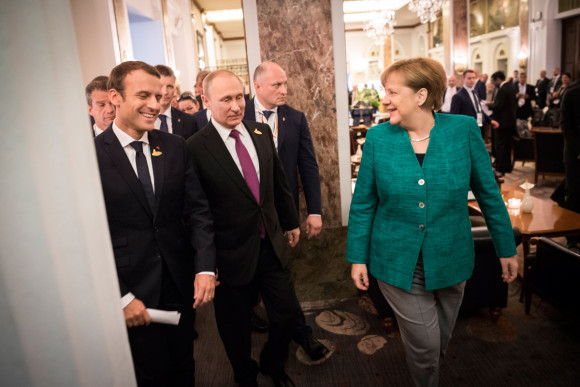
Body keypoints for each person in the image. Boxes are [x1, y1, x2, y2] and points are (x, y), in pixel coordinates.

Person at [346, 57, 518, 387]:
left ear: (421, 96)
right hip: (397, 261)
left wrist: (506, 249)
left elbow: (489, 196)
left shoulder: (463, 131)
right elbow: (364, 203)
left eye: (392, 91)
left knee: (438, 340)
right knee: (426, 346)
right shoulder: (379, 138)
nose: (384, 99)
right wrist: (357, 257)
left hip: (451, 257)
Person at [95, 60, 217, 385]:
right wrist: (121, 297)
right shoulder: (91, 157)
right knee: (151, 376)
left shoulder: (175, 147)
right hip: (131, 293)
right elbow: (88, 240)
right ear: (115, 97)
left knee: (184, 366)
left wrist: (205, 267)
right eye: (144, 95)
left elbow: (198, 211)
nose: (155, 104)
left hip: (179, 283)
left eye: (159, 95)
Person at [187, 70, 301, 387]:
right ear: (206, 101)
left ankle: (273, 363)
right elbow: (197, 211)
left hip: (271, 246)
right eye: (226, 99)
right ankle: (245, 374)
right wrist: (206, 264)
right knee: (234, 328)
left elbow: (279, 185)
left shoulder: (261, 132)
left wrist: (290, 221)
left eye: (240, 97)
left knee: (286, 313)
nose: (237, 106)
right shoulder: (194, 148)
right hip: (229, 255)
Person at [243, 61, 327, 361]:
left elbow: (308, 165)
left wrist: (313, 210)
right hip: (245, 215)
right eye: (277, 85)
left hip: (281, 214)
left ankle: (302, 334)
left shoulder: (295, 118)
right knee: (254, 278)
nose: (284, 90)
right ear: (258, 86)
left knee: (280, 275)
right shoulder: (237, 114)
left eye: (285, 83)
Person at [153, 64, 198, 139]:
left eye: (169, 86)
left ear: (175, 89)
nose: (165, 92)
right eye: (160, 86)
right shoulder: (141, 120)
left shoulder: (189, 121)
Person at [560, 77, 580, 248]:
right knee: (574, 193)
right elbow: (566, 126)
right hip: (575, 154)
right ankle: (572, 237)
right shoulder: (572, 93)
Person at [450, 69, 498, 137]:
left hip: (478, 126)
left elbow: (479, 109)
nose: (472, 80)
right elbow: (454, 117)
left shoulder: (475, 92)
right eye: (469, 78)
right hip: (466, 129)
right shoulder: (458, 96)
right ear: (464, 79)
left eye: (473, 78)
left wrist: (490, 121)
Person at [486, 71, 517, 176]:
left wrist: (488, 105)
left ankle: (500, 167)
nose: (494, 83)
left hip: (502, 122)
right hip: (509, 122)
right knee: (506, 146)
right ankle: (506, 166)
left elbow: (498, 106)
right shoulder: (511, 87)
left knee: (500, 146)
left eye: (493, 81)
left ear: (498, 79)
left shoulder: (503, 89)